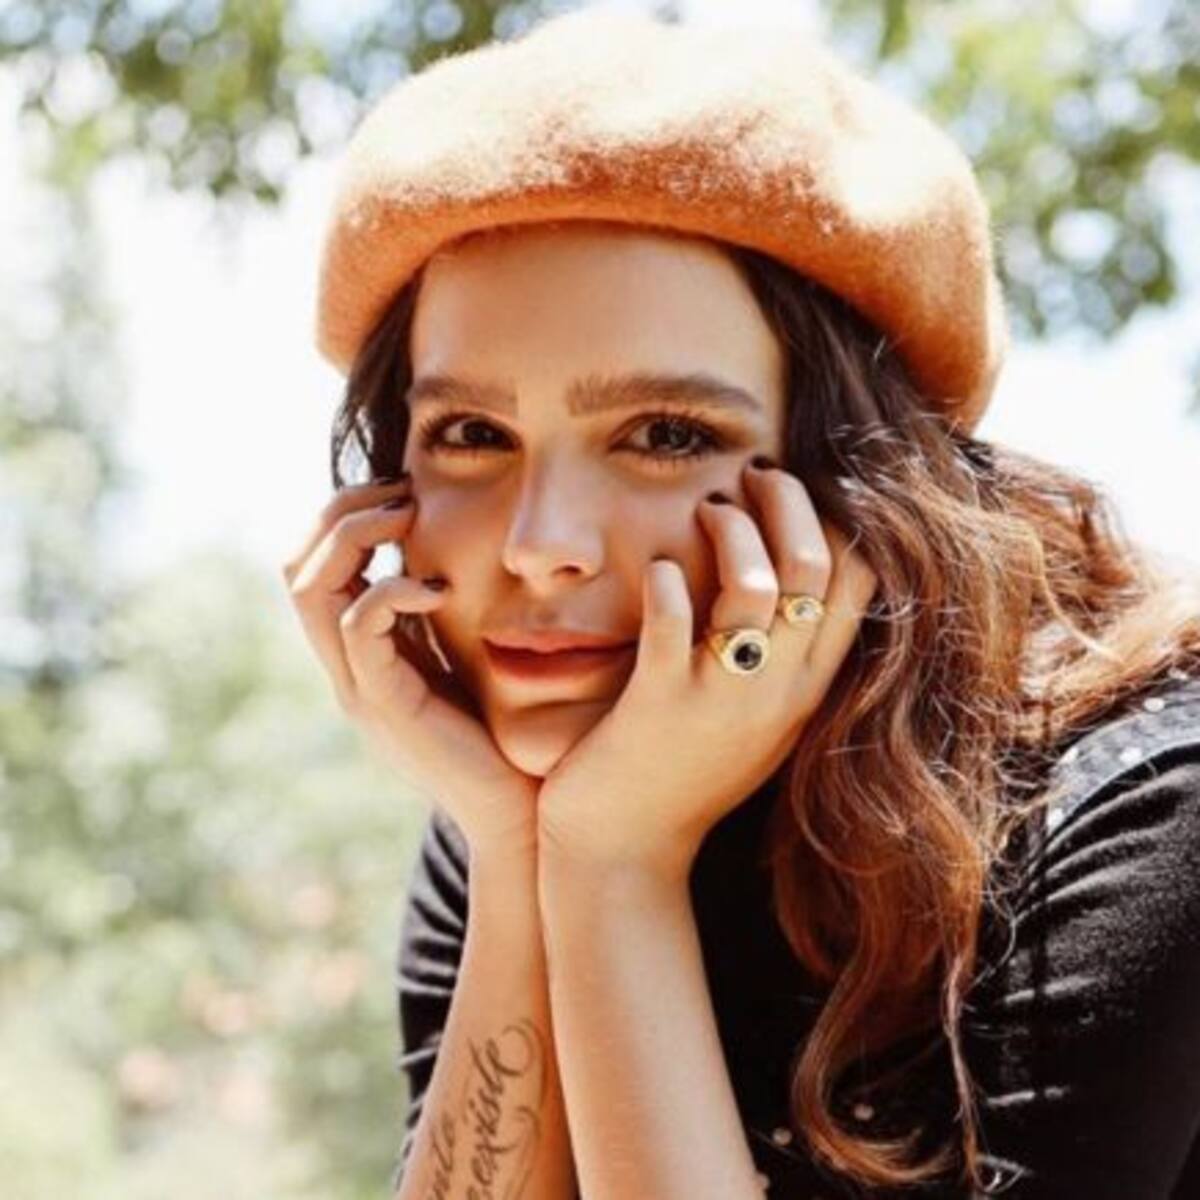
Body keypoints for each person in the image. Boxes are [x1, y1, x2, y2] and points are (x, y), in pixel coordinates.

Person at [282, 6, 1200, 1197]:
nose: (541, 545)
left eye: (666, 435)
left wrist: (616, 870)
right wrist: (531, 860)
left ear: (861, 483)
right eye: (471, 433)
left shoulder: (1132, 814)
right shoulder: (513, 811)